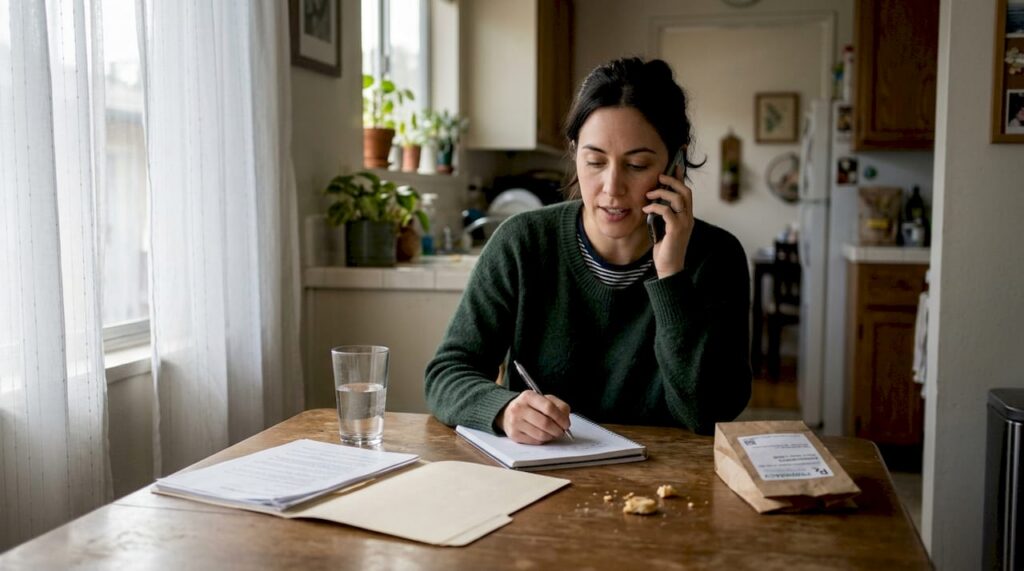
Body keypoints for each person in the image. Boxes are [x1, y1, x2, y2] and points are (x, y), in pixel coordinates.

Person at [424, 57, 751, 443]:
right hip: (539, 477)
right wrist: (502, 409)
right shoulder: (522, 242)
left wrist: (671, 277)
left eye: (637, 164)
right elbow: (447, 373)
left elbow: (707, 413)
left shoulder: (717, 257)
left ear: (675, 165)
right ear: (575, 152)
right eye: (595, 161)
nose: (612, 187)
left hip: (668, 484)